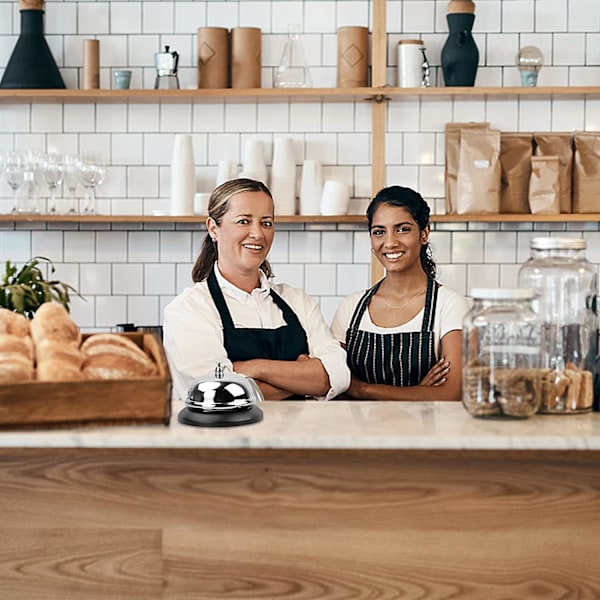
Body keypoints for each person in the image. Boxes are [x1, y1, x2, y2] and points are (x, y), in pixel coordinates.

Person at [163, 178, 350, 401]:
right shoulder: (189, 309)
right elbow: (218, 394)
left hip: (300, 435)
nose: (258, 234)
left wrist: (255, 368)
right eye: (243, 221)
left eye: (266, 223)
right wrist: (302, 378)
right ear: (214, 228)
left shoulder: (298, 301)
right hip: (225, 435)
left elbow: (336, 376)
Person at [331, 185, 470, 401]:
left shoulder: (449, 305)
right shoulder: (352, 307)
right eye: (379, 232)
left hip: (424, 433)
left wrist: (362, 389)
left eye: (403, 229)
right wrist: (418, 392)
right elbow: (332, 380)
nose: (390, 242)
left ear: (424, 233)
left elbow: (451, 393)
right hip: (358, 433)